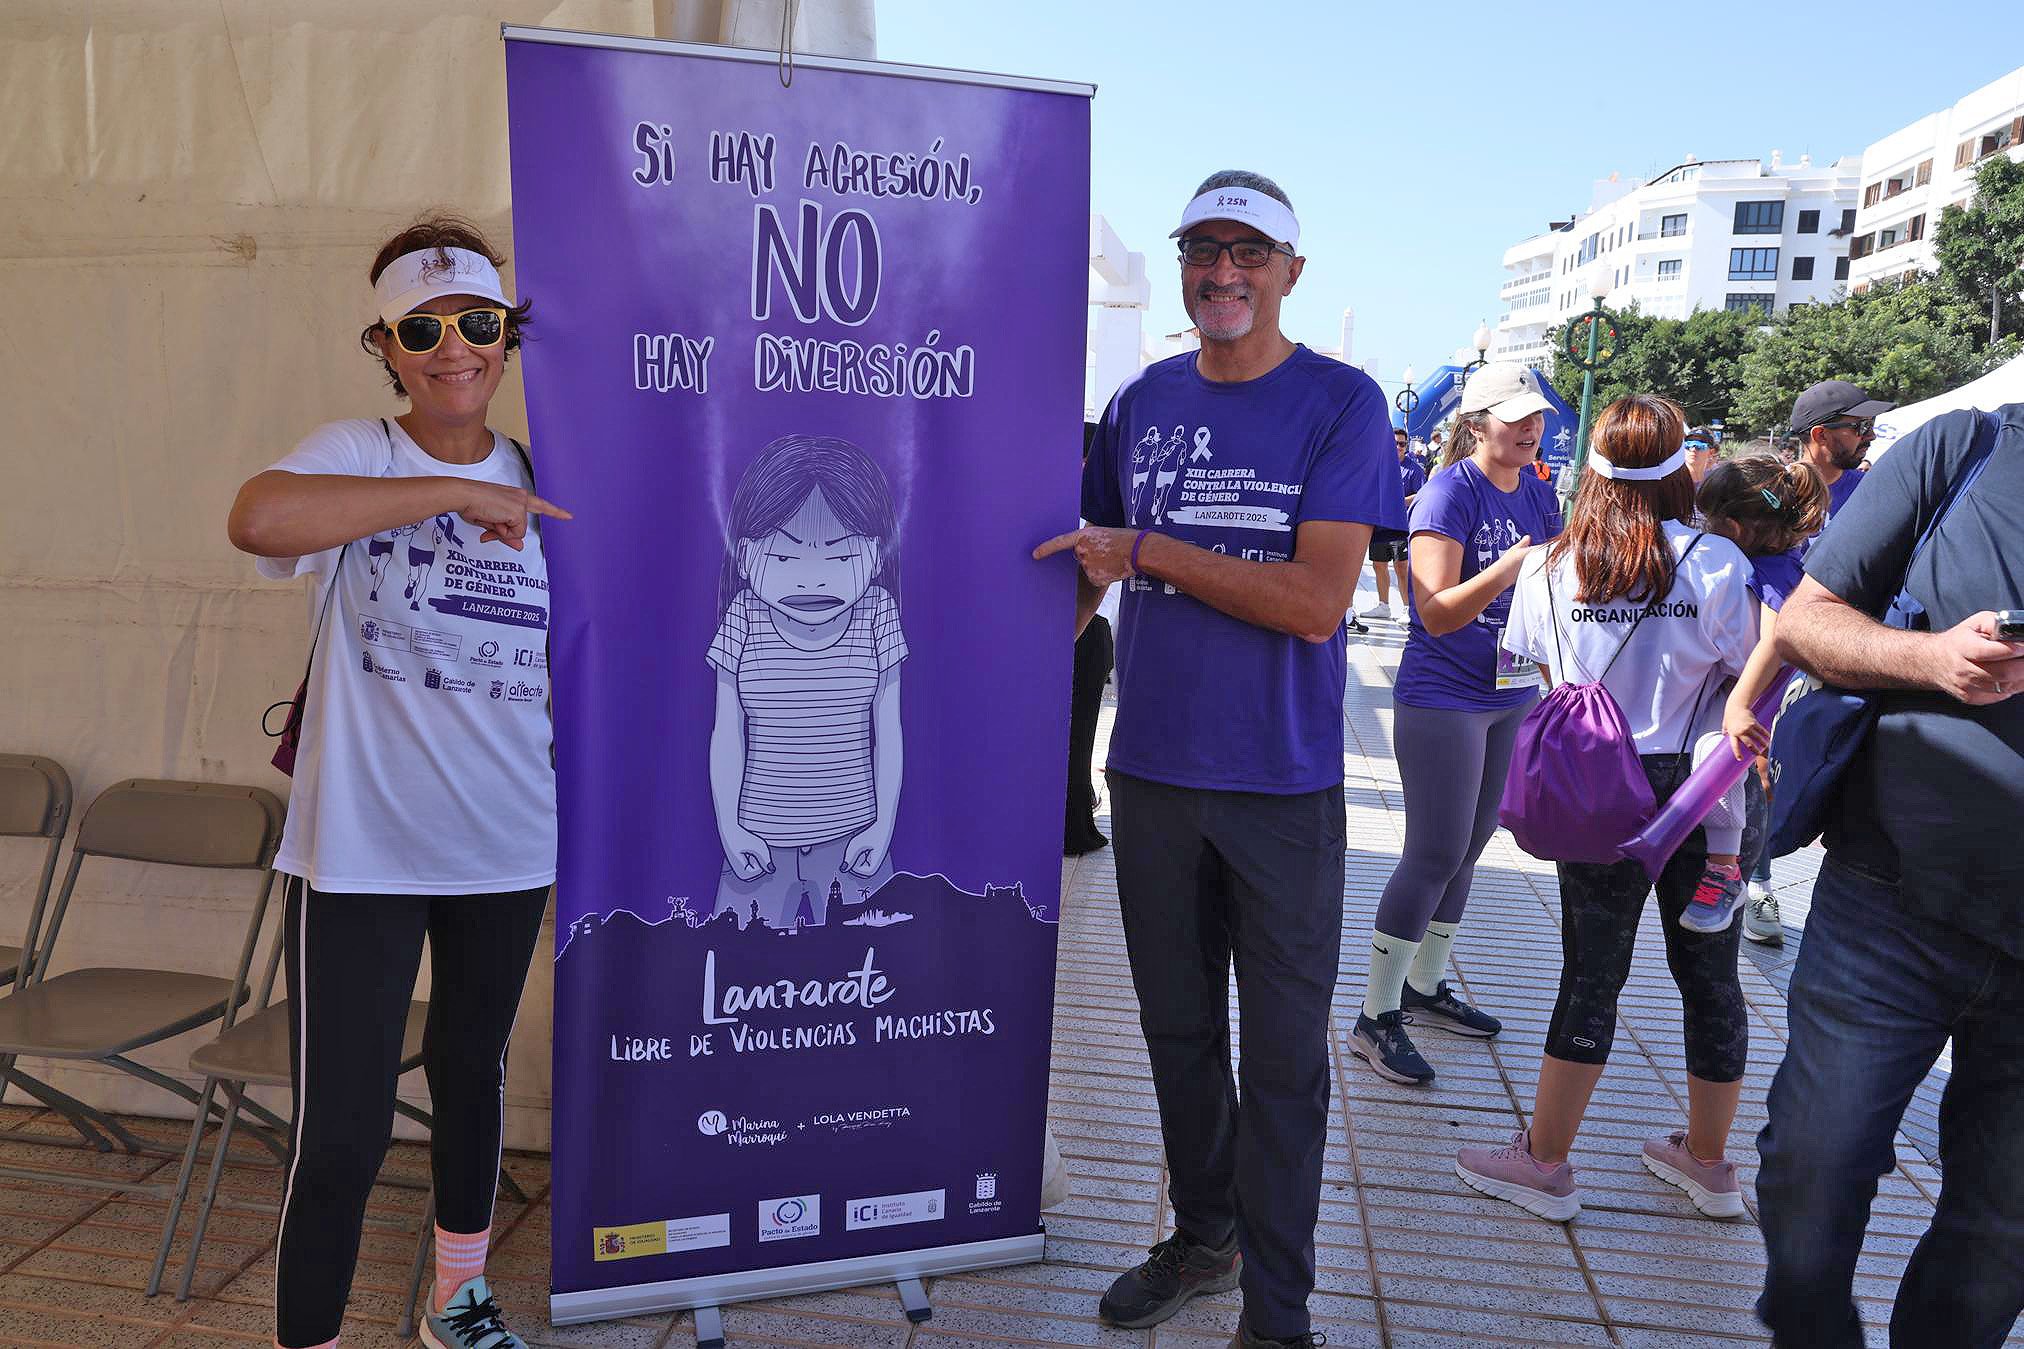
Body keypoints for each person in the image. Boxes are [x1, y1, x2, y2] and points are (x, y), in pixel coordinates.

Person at [1034, 169, 1401, 1349]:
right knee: (1176, 1032)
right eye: (1202, 248)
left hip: (1281, 786)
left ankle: (1278, 1315)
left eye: (1249, 251)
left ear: (1292, 270)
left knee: (1284, 1061)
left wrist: (1147, 547)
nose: (1221, 271)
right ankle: (1204, 1235)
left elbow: (1312, 602)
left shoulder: (1339, 403)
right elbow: (1080, 576)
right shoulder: (1139, 402)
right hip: (1148, 774)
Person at [227, 214, 569, 1349]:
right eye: (420, 329)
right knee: (343, 1129)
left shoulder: (545, 470)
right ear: (384, 344)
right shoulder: (358, 451)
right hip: (360, 848)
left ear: (507, 335)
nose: (452, 349)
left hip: (508, 840)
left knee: (472, 1082)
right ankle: (311, 1334)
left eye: (476, 323)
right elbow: (258, 518)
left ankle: (456, 1303)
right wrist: (441, 495)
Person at [1755, 403, 2024, 1348]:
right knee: (1812, 1174)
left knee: (2001, 1240)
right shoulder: (1966, 451)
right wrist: (1933, 658)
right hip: (1890, 901)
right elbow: (1806, 623)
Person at [1455, 395, 1757, 1223]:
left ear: (1590, 468)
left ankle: (1546, 1162)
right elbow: (1751, 683)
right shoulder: (1719, 563)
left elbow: (1525, 678)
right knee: (1712, 976)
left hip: (1600, 786)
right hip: (1702, 790)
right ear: (1679, 467)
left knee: (1591, 973)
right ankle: (1709, 1162)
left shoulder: (1550, 565)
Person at [1351, 363, 1561, 1085]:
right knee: (1433, 851)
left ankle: (1424, 986)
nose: (1530, 428)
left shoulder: (1539, 492)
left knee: (1470, 846)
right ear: (1476, 424)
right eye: (1514, 416)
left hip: (1512, 691)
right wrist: (1507, 569)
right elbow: (1434, 613)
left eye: (1536, 415)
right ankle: (1375, 1017)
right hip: (1444, 695)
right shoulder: (1448, 492)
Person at [1673, 456, 1827, 935]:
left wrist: (1739, 705)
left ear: (1734, 527)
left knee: (1712, 756)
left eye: (1708, 522)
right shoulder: (1765, 562)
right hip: (1741, 692)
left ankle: (1724, 871)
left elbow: (1775, 640)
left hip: (1751, 702)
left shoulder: (1775, 572)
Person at [1788, 379, 1893, 533]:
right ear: (1821, 435)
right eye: (1862, 427)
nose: (1872, 435)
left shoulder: (1872, 491)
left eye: (1871, 424)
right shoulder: (1775, 493)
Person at [1358, 425, 1425, 621]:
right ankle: (1383, 605)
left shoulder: (1414, 469)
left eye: (1402, 444)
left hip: (1399, 525)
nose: (1398, 447)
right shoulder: (1378, 465)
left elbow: (1423, 493)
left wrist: (1400, 501)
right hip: (1379, 524)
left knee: (1401, 567)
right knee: (1379, 565)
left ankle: (1407, 608)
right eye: (1395, 443)